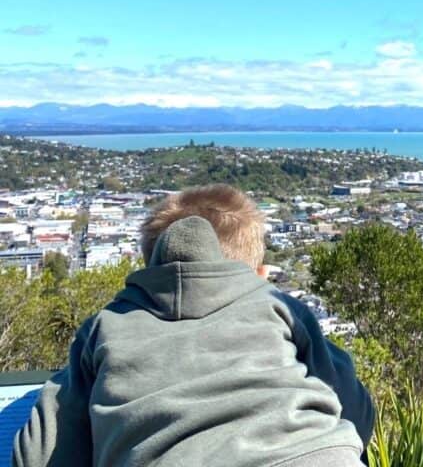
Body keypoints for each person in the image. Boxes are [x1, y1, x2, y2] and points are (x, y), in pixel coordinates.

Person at [13, 184, 375, 467]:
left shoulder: (106, 328)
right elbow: (358, 415)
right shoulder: (280, 308)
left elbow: (40, 458)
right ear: (262, 275)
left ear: (147, 269)